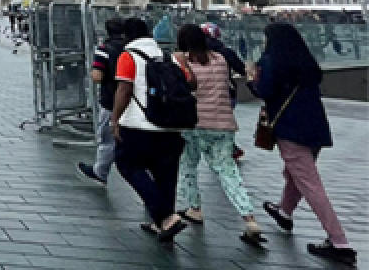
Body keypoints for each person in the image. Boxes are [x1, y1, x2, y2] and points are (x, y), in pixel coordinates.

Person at [248, 22, 357, 266]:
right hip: (315, 128)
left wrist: (252, 80)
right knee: (295, 173)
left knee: (309, 183)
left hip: (290, 129)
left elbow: (264, 91)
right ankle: (284, 212)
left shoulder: (271, 61)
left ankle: (340, 242)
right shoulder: (306, 62)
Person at [172, 24, 265, 246]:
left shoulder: (182, 61)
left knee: (188, 165)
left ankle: (194, 208)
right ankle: (249, 218)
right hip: (224, 124)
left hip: (194, 124)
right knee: (228, 172)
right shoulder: (220, 59)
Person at [112, 17, 194, 243]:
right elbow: (190, 83)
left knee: (128, 165)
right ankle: (163, 223)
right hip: (171, 126)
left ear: (126, 36)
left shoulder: (128, 56)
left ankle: (166, 216)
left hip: (139, 125)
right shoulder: (170, 57)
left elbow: (124, 89)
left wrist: (115, 119)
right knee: (166, 175)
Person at [78, 18, 126, 186]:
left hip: (110, 99)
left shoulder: (105, 49)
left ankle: (100, 172)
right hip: (134, 100)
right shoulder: (130, 48)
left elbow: (98, 76)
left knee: (107, 138)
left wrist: (93, 73)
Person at [201, 22, 248, 160]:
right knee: (224, 122)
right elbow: (241, 68)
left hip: (203, 93)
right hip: (226, 92)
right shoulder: (226, 52)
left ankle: (225, 149)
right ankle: (228, 148)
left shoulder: (193, 53)